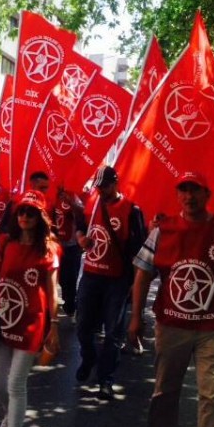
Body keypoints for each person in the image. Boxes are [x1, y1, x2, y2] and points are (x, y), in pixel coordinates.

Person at [128, 171, 214, 427]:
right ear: (177, 194)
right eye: (183, 190)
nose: (189, 196)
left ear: (208, 195)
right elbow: (142, 274)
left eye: (195, 190)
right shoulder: (162, 230)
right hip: (171, 326)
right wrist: (135, 317)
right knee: (165, 391)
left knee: (212, 394)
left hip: (213, 327)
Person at [0, 189, 59, 427]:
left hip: (31, 323)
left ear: (40, 218)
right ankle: (11, 414)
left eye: (31, 212)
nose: (24, 216)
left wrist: (54, 326)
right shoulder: (4, 242)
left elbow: (51, 291)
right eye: (21, 211)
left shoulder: (49, 250)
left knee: (16, 383)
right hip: (2, 318)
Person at [75, 165, 146, 400]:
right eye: (98, 187)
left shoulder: (131, 210)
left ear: (116, 183)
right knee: (83, 325)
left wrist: (133, 284)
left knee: (113, 332)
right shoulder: (93, 205)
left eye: (105, 186)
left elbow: (138, 252)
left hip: (117, 280)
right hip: (91, 276)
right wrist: (81, 238)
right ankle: (88, 358)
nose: (101, 191)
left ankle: (105, 379)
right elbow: (79, 226)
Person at [52, 188, 85, 317]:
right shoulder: (52, 196)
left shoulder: (74, 196)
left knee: (71, 277)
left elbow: (81, 213)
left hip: (71, 246)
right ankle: (67, 297)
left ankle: (70, 304)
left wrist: (70, 202)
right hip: (56, 245)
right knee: (61, 277)